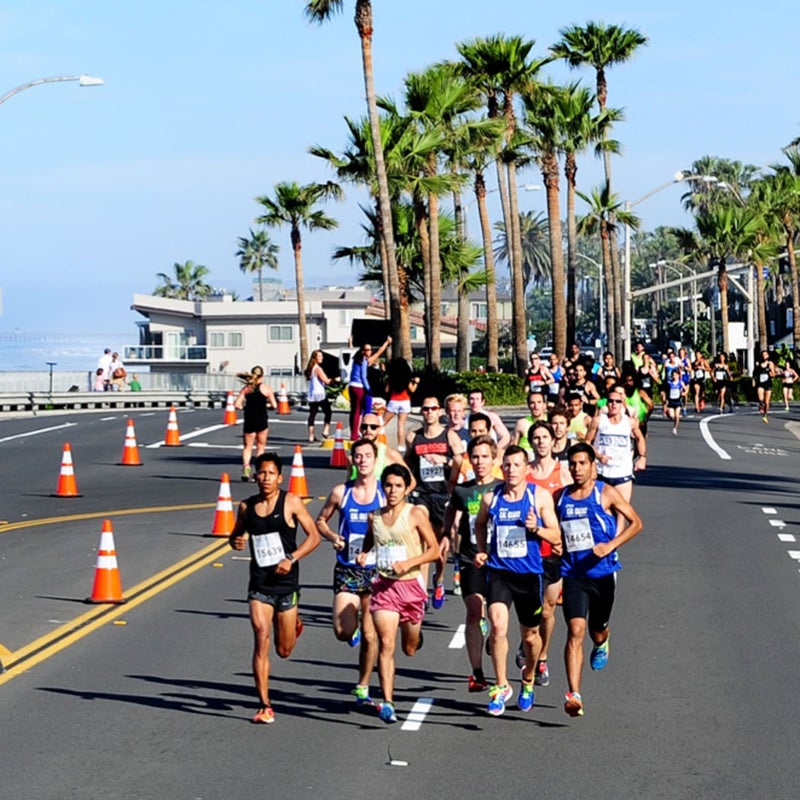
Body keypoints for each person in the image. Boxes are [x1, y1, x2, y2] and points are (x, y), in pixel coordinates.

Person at [228, 452, 321, 724]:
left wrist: (291, 558)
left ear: (280, 477)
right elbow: (236, 534)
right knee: (261, 637)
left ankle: (295, 625)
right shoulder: (246, 507)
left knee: (284, 649)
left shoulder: (291, 502)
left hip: (286, 583)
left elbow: (313, 537)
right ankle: (265, 705)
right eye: (261, 473)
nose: (265, 478)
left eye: (271, 473)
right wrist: (235, 541)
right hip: (259, 582)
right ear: (255, 476)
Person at [556, 443, 643, 718]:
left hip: (602, 574)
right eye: (573, 464)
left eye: (582, 463)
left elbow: (636, 523)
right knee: (575, 631)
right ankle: (574, 694)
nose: (577, 469)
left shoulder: (605, 493)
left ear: (593, 465)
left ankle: (603, 640)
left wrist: (611, 545)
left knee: (596, 628)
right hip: (573, 575)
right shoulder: (560, 498)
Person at [473, 445, 561, 716]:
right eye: (507, 465)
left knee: (531, 637)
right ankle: (500, 686)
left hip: (528, 575)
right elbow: (479, 523)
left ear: (526, 469)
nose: (511, 470)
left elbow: (557, 536)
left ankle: (528, 678)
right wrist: (481, 550)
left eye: (516, 465)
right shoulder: (491, 498)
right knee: (497, 627)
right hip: (499, 573)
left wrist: (537, 529)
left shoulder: (539, 497)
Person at [357, 463, 439, 723]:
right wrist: (364, 553)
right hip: (385, 587)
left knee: (409, 647)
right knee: (387, 644)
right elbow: (371, 538)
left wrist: (409, 563)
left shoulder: (414, 514)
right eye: (388, 485)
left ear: (405, 489)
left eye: (398, 486)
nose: (392, 490)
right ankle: (388, 702)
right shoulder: (376, 516)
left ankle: (414, 631)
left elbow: (434, 550)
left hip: (411, 586)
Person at [316, 439, 383, 705]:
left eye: (368, 455)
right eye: (358, 456)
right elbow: (320, 520)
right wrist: (333, 536)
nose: (363, 460)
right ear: (353, 461)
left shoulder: (384, 494)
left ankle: (363, 684)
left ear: (375, 460)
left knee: (370, 634)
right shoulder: (340, 493)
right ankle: (350, 630)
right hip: (347, 569)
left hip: (376, 571)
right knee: (342, 631)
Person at [444, 434, 502, 694]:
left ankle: (494, 635)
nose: (480, 462)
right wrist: (446, 535)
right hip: (470, 557)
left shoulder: (502, 488)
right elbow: (451, 509)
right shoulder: (462, 490)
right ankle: (477, 672)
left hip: (500, 560)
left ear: (494, 459)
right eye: (475, 457)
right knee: (473, 610)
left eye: (485, 457)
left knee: (496, 617)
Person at [404, 396, 463, 609]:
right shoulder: (413, 437)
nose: (429, 412)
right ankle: (421, 592)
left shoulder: (450, 436)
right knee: (422, 545)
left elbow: (461, 462)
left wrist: (444, 461)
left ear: (440, 412)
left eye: (433, 408)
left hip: (442, 496)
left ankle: (438, 580)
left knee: (439, 547)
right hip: (421, 496)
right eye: (425, 408)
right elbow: (408, 460)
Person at [524, 421, 569, 687]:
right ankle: (526, 641)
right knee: (528, 607)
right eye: (536, 437)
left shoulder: (562, 472)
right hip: (526, 550)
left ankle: (541, 658)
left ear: (554, 441)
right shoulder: (523, 472)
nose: (541, 442)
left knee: (548, 609)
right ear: (531, 442)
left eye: (545, 437)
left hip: (554, 548)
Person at [584, 382, 647, 516]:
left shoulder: (629, 422)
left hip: (622, 472)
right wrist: (599, 456)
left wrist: (642, 457)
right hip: (602, 472)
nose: (614, 404)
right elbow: (587, 442)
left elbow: (640, 438)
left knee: (622, 511)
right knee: (602, 510)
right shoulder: (598, 420)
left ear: (622, 403)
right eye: (611, 401)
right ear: (606, 403)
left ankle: (618, 537)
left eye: (617, 401)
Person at [348, 412, 412, 490]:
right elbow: (348, 482)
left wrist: (396, 500)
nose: (368, 430)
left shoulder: (389, 454)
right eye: (364, 426)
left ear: (380, 429)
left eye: (373, 427)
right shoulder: (353, 456)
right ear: (360, 429)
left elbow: (411, 481)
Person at [235, 366, 278, 481]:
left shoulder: (247, 388)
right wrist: (265, 406)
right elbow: (274, 405)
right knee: (260, 446)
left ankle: (246, 467)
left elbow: (237, 404)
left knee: (247, 447)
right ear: (262, 376)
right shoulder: (266, 389)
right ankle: (258, 471)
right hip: (262, 419)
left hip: (249, 418)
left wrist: (246, 407)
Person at [348, 337, 392, 440]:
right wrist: (368, 389)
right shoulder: (364, 360)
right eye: (367, 350)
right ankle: (355, 434)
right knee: (359, 411)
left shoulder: (356, 359)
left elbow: (352, 351)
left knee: (354, 410)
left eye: (370, 349)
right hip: (359, 387)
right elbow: (363, 376)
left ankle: (353, 432)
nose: (370, 352)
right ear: (363, 351)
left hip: (352, 386)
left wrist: (350, 343)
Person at [382, 358, 420, 451]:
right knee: (401, 425)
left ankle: (378, 439)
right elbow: (412, 390)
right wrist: (416, 382)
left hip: (394, 401)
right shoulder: (407, 378)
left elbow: (386, 390)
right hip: (405, 401)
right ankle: (401, 445)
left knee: (382, 423)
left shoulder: (391, 377)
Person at [305, 349, 337, 443]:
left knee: (312, 414)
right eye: (319, 356)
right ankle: (325, 430)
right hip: (320, 394)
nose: (321, 358)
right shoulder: (318, 369)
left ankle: (311, 435)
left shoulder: (310, 369)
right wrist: (335, 379)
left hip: (312, 394)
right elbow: (326, 381)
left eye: (321, 356)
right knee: (328, 412)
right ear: (315, 358)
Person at [513, 390, 549, 459]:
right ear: (529, 405)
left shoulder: (551, 422)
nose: (536, 406)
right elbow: (513, 447)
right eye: (532, 403)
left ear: (544, 405)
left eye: (539, 402)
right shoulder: (521, 423)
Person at [753, 349, 778, 424]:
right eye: (763, 355)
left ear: (768, 356)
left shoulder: (770, 363)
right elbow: (755, 374)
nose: (764, 356)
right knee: (761, 399)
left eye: (765, 354)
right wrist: (753, 381)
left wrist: (771, 373)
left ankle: (765, 415)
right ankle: (760, 405)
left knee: (767, 402)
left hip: (768, 383)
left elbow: (774, 374)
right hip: (760, 384)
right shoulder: (758, 364)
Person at [664, 368, 686, 435]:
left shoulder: (680, 383)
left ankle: (675, 428)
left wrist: (684, 393)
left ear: (678, 375)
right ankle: (668, 414)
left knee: (677, 416)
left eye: (676, 375)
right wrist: (666, 400)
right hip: (671, 401)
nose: (675, 376)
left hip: (678, 401)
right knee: (672, 416)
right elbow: (666, 392)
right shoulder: (670, 383)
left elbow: (686, 389)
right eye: (673, 375)